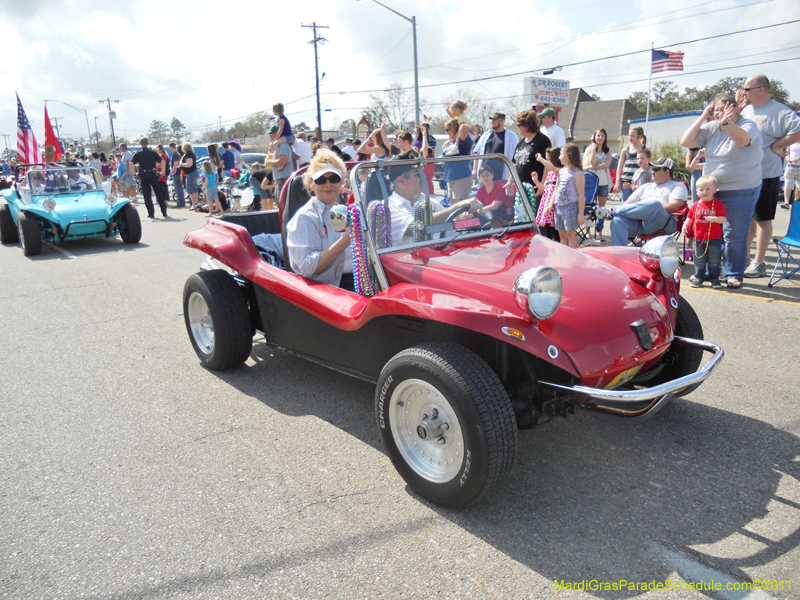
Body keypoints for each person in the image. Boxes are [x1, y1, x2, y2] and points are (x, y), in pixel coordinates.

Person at [680, 94, 763, 288]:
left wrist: (727, 124)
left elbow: (742, 140)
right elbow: (686, 141)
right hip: (712, 189)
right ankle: (709, 272)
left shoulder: (748, 125)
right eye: (716, 110)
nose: (719, 113)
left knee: (733, 233)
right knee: (709, 230)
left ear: (735, 109)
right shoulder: (711, 127)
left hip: (741, 188)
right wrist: (703, 116)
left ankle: (733, 273)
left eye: (723, 109)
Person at [740, 74, 800, 278]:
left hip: (766, 173)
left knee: (763, 219)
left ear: (761, 89)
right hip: (745, 174)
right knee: (747, 219)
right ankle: (744, 258)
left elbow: (798, 129)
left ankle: (758, 262)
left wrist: (778, 145)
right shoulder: (747, 110)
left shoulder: (780, 111)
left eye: (747, 88)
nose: (744, 92)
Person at [285, 150, 353, 287]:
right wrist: (344, 242)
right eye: (321, 180)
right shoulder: (305, 217)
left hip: (360, 281)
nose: (328, 184)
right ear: (311, 183)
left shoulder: (349, 212)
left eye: (334, 179)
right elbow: (306, 268)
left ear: (342, 182)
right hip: (327, 289)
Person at [597, 157, 688, 247]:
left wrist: (648, 209)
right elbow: (627, 204)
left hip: (663, 222)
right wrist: (642, 211)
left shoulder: (677, 186)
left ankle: (611, 211)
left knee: (655, 204)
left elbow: (674, 206)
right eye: (652, 169)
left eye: (656, 169)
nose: (652, 171)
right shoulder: (645, 186)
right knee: (617, 220)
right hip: (640, 224)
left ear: (667, 172)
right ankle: (619, 254)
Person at [387, 161, 482, 247]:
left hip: (443, 255)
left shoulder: (427, 200)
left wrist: (469, 222)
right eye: (417, 174)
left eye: (423, 172)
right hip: (413, 262)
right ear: (401, 181)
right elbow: (417, 227)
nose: (424, 177)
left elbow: (449, 228)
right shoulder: (388, 208)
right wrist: (457, 206)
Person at [682, 175, 727, 289]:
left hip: (714, 238)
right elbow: (690, 216)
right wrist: (685, 224)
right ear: (696, 191)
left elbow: (723, 218)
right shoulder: (696, 205)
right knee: (699, 260)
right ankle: (699, 277)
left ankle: (714, 278)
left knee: (714, 260)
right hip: (698, 238)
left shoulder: (717, 204)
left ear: (714, 190)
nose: (704, 192)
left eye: (708, 189)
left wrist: (715, 219)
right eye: (701, 189)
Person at [538, 144, 585, 248]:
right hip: (558, 206)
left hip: (570, 206)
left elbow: (581, 195)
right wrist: (550, 205)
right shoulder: (561, 171)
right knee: (561, 234)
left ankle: (573, 255)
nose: (559, 157)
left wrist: (581, 214)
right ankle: (564, 255)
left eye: (561, 154)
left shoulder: (577, 173)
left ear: (569, 155)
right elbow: (556, 190)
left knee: (570, 234)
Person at [472, 112, 519, 187]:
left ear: (501, 121)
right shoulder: (486, 135)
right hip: (485, 174)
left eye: (494, 120)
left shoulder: (512, 136)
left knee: (499, 197)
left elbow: (516, 156)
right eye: (492, 120)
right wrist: (474, 170)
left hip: (502, 174)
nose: (492, 122)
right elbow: (477, 153)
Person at [583, 128, 612, 242]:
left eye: (602, 136)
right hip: (590, 180)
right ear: (594, 137)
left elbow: (607, 164)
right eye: (598, 135)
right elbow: (591, 162)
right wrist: (593, 150)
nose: (600, 138)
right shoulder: (589, 149)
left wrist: (594, 167)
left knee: (601, 208)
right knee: (588, 207)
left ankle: (600, 232)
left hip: (603, 181)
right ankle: (588, 232)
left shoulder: (608, 150)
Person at [511, 110, 551, 188]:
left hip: (535, 187)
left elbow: (547, 163)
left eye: (519, 125)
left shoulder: (542, 140)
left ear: (527, 125)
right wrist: (510, 182)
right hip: (521, 187)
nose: (517, 127)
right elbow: (515, 164)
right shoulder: (521, 142)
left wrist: (542, 184)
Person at [131, 137, 168, 219]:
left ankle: (151, 213)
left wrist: (134, 173)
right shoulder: (153, 153)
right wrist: (162, 172)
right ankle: (164, 212)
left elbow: (131, 163)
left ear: (140, 144)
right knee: (158, 193)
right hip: (153, 173)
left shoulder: (138, 153)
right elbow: (162, 161)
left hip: (144, 174)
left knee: (147, 195)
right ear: (147, 143)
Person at [530, 147, 561, 241]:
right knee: (547, 231)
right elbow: (544, 189)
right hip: (546, 204)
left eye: (548, 159)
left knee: (555, 232)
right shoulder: (550, 173)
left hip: (553, 205)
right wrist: (536, 181)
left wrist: (540, 159)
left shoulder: (558, 171)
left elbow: (553, 168)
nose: (546, 161)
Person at [441, 118, 474, 202]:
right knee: (454, 208)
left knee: (462, 209)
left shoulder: (463, 142)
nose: (446, 132)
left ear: (453, 129)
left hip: (461, 177)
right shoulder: (451, 143)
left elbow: (464, 128)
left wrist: (460, 123)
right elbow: (444, 150)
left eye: (447, 130)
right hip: (450, 178)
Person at [613, 127, 647, 201]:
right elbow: (620, 166)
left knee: (638, 205)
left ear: (639, 136)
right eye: (629, 135)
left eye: (632, 136)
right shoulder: (625, 150)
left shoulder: (646, 149)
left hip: (639, 182)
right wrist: (617, 181)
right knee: (626, 205)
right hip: (626, 181)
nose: (630, 138)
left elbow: (650, 166)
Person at [266, 124, 294, 200]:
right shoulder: (278, 146)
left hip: (284, 178)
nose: (269, 136)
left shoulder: (282, 145)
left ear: (276, 133)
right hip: (280, 179)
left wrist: (270, 162)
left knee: (283, 203)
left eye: (271, 133)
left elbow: (283, 161)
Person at [180, 142, 201, 210]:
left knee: (189, 188)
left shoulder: (188, 154)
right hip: (193, 172)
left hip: (191, 173)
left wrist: (182, 164)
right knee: (194, 188)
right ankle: (196, 203)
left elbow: (189, 164)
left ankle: (194, 203)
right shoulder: (191, 153)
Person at [782, 141, 800, 209]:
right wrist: (787, 158)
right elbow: (787, 152)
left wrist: (797, 159)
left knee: (798, 186)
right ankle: (786, 202)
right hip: (790, 166)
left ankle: (796, 200)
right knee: (788, 184)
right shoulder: (792, 142)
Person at [168, 142, 186, 208]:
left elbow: (176, 164)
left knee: (178, 188)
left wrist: (172, 171)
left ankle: (180, 202)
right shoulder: (177, 154)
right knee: (179, 188)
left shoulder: (175, 154)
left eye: (169, 147)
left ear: (171, 147)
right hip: (179, 173)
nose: (169, 149)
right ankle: (181, 202)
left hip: (176, 173)